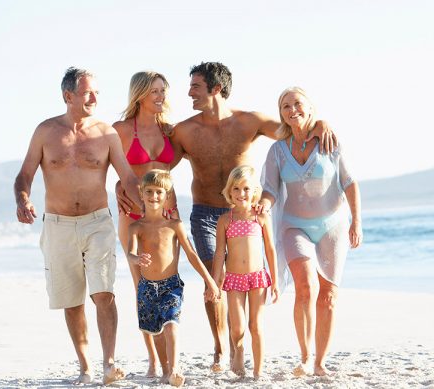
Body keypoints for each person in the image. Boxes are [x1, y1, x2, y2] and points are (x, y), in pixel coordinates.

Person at [168, 61, 338, 370]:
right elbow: (161, 170)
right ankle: (224, 346)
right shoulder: (184, 131)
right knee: (214, 278)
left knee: (246, 275)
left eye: (195, 86)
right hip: (205, 213)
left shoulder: (250, 122)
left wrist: (320, 122)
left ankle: (244, 342)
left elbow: (292, 130)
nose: (189, 93)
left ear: (216, 89)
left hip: (245, 214)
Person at [14, 67, 139, 385]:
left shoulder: (106, 133)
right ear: (67, 96)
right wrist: (23, 199)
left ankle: (109, 363)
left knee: (104, 293)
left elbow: (127, 175)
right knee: (72, 301)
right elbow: (25, 173)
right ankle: (85, 366)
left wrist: (149, 210)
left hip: (97, 221)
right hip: (58, 225)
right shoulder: (46, 131)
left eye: (97, 91)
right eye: (87, 92)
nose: (95, 98)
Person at [258, 87, 362, 377]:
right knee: (304, 287)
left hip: (333, 226)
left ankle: (320, 362)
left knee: (328, 295)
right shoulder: (277, 150)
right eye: (286, 106)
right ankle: (305, 357)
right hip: (294, 226)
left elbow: (350, 182)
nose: (293, 110)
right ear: (282, 114)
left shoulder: (330, 142)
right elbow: (269, 188)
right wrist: (263, 206)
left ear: (311, 108)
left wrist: (357, 222)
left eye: (298, 104)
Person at [112, 71, 180, 377]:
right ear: (139, 94)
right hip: (134, 216)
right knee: (144, 290)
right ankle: (153, 360)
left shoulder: (170, 130)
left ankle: (170, 361)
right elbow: (105, 166)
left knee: (167, 287)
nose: (161, 96)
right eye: (154, 91)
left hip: (167, 216)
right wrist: (117, 188)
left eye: (163, 91)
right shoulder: (122, 129)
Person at [127, 169, 220, 387]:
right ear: (142, 194)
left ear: (167, 195)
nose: (154, 196)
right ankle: (166, 369)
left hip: (171, 285)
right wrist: (137, 259)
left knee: (171, 324)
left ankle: (175, 368)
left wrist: (210, 281)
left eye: (159, 192)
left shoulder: (174, 225)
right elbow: (130, 254)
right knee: (156, 332)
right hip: (147, 288)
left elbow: (192, 255)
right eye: (149, 191)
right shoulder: (136, 227)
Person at [211, 165, 279, 379]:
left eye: (246, 189)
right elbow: (220, 252)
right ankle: (238, 350)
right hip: (234, 279)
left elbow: (270, 249)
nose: (242, 194)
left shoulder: (261, 218)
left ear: (255, 191)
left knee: (255, 325)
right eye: (237, 189)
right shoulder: (225, 220)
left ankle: (258, 370)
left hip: (257, 277)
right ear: (230, 192)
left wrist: (275, 281)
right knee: (238, 328)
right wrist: (215, 282)